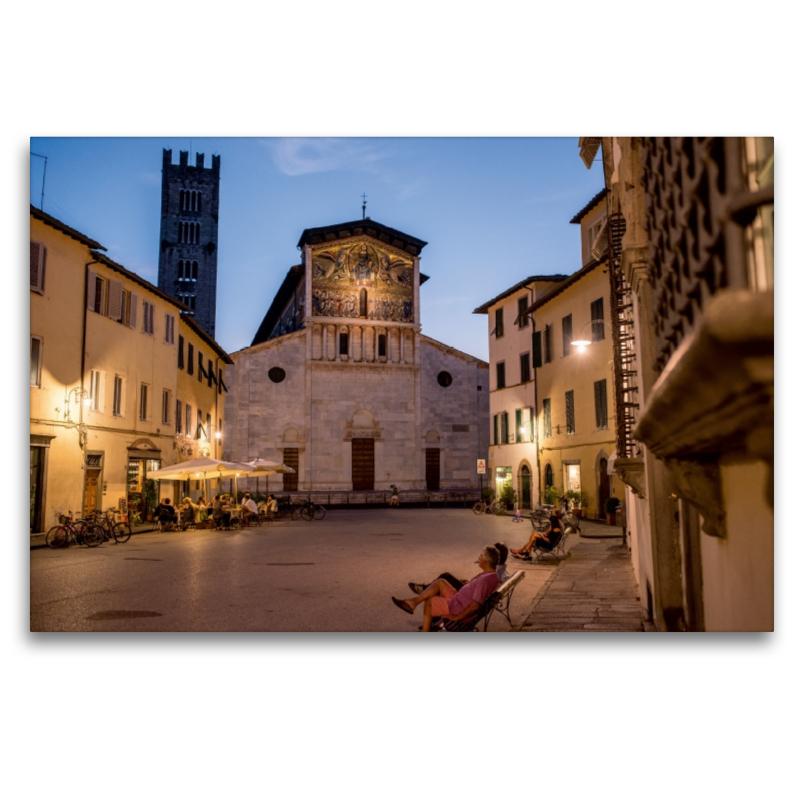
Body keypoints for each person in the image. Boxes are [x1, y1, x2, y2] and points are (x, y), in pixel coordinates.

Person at [392, 546, 500, 632]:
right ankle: (413, 602)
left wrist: (457, 617)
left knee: (430, 601)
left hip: (458, 607)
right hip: (459, 599)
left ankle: (425, 631)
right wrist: (470, 585)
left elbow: (475, 606)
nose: (478, 558)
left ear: (486, 561)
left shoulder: (484, 581)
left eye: (481, 556)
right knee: (440, 582)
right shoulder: (493, 575)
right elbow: (479, 592)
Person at [408, 541, 510, 594]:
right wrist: (470, 582)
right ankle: (425, 590)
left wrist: (470, 585)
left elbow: (484, 588)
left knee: (445, 577)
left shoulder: (496, 573)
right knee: (444, 580)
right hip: (472, 590)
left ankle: (424, 590)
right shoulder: (503, 573)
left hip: (470, 594)